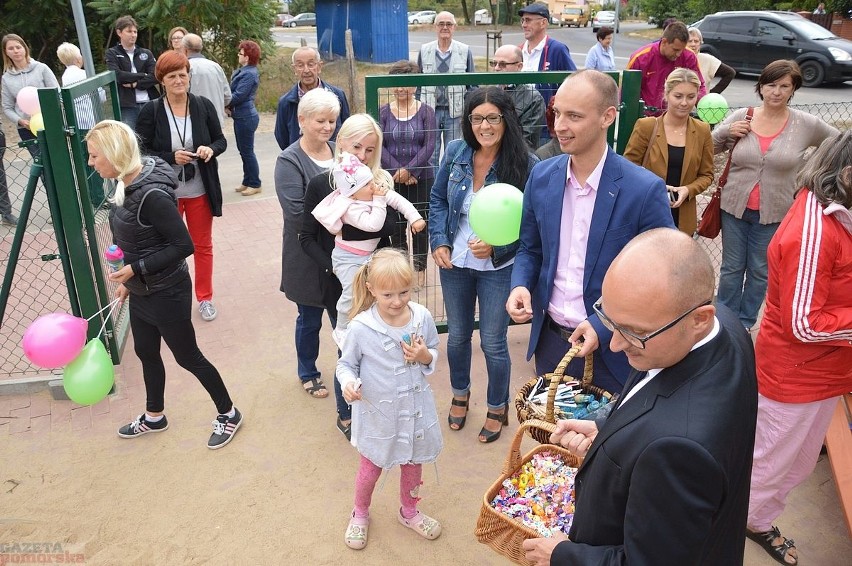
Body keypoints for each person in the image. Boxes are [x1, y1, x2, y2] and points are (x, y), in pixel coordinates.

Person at [522, 228, 757, 565]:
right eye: (610, 320)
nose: (615, 344)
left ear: (699, 320)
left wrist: (563, 556)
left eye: (636, 333)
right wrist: (608, 427)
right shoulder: (726, 327)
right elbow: (656, 399)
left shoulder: (680, 449)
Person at [506, 70, 675, 395]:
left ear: (607, 117)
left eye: (574, 116)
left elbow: (660, 275)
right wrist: (520, 285)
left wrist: (603, 322)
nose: (559, 126)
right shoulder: (541, 176)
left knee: (609, 443)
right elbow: (530, 248)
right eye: (557, 113)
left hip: (617, 350)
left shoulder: (642, 189)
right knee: (551, 441)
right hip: (552, 345)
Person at [85, 120, 242, 449]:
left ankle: (229, 413)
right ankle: (155, 415)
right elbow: (136, 238)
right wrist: (131, 280)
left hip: (167, 292)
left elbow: (183, 246)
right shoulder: (124, 182)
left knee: (188, 357)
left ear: (114, 155)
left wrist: (134, 268)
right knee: (145, 352)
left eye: (94, 155)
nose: (91, 162)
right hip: (142, 289)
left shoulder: (152, 195)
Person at [745, 131, 852, 566]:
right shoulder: (815, 228)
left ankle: (755, 515)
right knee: (770, 465)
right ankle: (746, 520)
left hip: (825, 369)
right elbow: (803, 322)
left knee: (797, 462)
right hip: (797, 372)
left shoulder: (833, 214)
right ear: (846, 174)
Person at [429, 87, 538, 443]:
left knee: (493, 341)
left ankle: (497, 405)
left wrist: (497, 244)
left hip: (499, 268)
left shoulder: (526, 164)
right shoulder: (458, 151)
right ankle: (460, 394)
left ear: (506, 120)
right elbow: (437, 198)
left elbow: (532, 223)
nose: (484, 126)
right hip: (455, 263)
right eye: (477, 118)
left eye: (493, 118)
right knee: (458, 337)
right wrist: (439, 241)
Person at [712, 59, 838, 331]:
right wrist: (725, 131)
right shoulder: (742, 116)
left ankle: (744, 324)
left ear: (793, 90)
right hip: (734, 208)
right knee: (731, 269)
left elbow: (838, 144)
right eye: (771, 85)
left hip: (775, 213)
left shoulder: (805, 124)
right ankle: (724, 322)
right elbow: (708, 148)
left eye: (784, 86)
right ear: (761, 86)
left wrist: (810, 170)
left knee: (760, 271)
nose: (777, 92)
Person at [296, 110, 397, 437]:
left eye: (370, 150)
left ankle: (377, 407)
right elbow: (306, 237)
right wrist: (335, 269)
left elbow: (392, 230)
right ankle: (346, 412)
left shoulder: (382, 182)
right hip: (339, 283)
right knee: (349, 351)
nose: (363, 157)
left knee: (381, 349)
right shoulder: (320, 184)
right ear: (340, 145)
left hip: (379, 285)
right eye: (357, 148)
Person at [337, 248, 442, 550]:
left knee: (413, 465)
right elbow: (346, 364)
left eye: (404, 292)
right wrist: (348, 383)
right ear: (371, 289)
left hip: (415, 412)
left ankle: (409, 511)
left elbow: (433, 351)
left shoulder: (421, 318)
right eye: (388, 295)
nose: (397, 301)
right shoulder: (361, 326)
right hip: (379, 417)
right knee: (370, 469)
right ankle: (360, 513)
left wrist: (425, 356)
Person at [136, 51, 227, 323]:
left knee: (202, 246)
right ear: (161, 81)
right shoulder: (151, 110)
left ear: (189, 76)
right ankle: (168, 296)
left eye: (182, 75)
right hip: (165, 194)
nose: (178, 80)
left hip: (199, 190)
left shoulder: (203, 105)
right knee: (166, 247)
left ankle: (205, 298)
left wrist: (209, 149)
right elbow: (141, 151)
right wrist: (169, 157)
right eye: (171, 76)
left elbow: (221, 141)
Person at [311, 152, 425, 345]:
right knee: (351, 293)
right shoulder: (350, 207)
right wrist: (380, 201)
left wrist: (415, 217)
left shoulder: (373, 191)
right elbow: (374, 225)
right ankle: (341, 329)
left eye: (371, 180)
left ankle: (370, 330)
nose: (372, 185)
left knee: (372, 294)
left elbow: (399, 200)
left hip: (368, 256)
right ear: (352, 193)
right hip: (347, 257)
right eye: (365, 184)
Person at [623, 68, 714, 235]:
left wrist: (688, 190)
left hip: (683, 217)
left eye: (691, 97)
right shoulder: (647, 127)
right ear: (666, 94)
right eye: (678, 96)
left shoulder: (702, 130)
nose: (684, 103)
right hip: (647, 212)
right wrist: (656, 188)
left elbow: (707, 175)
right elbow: (628, 168)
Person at [379, 59, 436, 287]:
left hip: (421, 178)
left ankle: (420, 270)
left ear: (415, 85)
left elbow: (430, 145)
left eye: (407, 83)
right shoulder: (383, 111)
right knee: (396, 226)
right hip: (391, 179)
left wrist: (411, 170)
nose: (401, 88)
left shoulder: (427, 112)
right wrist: (397, 172)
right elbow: (379, 144)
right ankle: (402, 271)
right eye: (397, 83)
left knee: (420, 225)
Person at [417, 11, 475, 171]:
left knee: (455, 151)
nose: (445, 27)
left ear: (454, 27)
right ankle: (433, 188)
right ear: (435, 27)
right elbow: (418, 82)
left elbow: (472, 85)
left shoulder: (464, 50)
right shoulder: (424, 50)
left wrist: (468, 110)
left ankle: (451, 185)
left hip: (455, 113)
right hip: (430, 111)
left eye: (449, 24)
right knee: (430, 154)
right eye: (441, 24)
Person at [518, 2, 576, 142]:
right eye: (523, 20)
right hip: (520, 127)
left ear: (543, 23)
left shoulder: (557, 49)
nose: (524, 25)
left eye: (528, 20)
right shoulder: (518, 51)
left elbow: (573, 83)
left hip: (545, 129)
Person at [57, 41, 106, 207]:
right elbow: (101, 97)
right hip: (90, 122)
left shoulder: (64, 77)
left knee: (83, 162)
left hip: (75, 123)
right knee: (96, 159)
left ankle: (88, 197)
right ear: (78, 58)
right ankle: (98, 197)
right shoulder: (84, 74)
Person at [274, 46, 350, 151]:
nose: (306, 70)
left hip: (333, 158)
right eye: (300, 65)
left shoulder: (337, 96)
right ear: (294, 69)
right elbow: (282, 138)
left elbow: (346, 130)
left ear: (319, 67)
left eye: (311, 64)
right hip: (300, 162)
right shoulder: (286, 102)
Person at [627, 21, 705, 115]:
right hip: (646, 118)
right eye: (675, 50)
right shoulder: (640, 58)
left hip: (678, 117)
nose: (679, 54)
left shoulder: (689, 56)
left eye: (682, 50)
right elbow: (628, 92)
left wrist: (704, 108)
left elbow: (699, 86)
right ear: (664, 42)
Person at [2, 33, 60, 154]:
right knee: (40, 163)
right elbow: (7, 107)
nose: (16, 51)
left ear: (25, 48)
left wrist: (50, 115)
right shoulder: (6, 78)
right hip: (26, 128)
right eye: (11, 48)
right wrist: (20, 120)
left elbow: (56, 93)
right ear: (6, 52)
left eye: (18, 47)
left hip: (49, 123)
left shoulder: (41, 68)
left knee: (57, 158)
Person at [105, 16, 159, 129]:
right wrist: (142, 75)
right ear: (119, 32)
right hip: (127, 106)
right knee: (130, 139)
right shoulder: (112, 53)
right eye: (129, 31)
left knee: (153, 136)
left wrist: (135, 84)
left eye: (135, 31)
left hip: (150, 103)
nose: (133, 34)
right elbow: (117, 75)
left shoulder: (146, 53)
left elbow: (155, 76)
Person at [489, 46, 545, 150]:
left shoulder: (533, 98)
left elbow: (527, 140)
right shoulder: (489, 93)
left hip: (517, 159)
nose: (496, 68)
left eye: (502, 64)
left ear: (519, 66)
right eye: (493, 63)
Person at [228, 40, 261, 196]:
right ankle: (247, 180)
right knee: (243, 151)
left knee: (247, 151)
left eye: (240, 53)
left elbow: (239, 95)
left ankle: (255, 183)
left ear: (247, 57)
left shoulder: (249, 73)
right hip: (240, 115)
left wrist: (224, 102)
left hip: (246, 116)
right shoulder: (244, 70)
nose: (238, 55)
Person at [183, 33, 231, 128]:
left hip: (194, 122)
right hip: (216, 121)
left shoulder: (185, 68)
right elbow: (227, 96)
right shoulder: (216, 67)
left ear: (185, 49)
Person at [686, 27, 735, 95]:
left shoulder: (707, 59)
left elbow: (730, 73)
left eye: (696, 41)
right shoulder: (677, 58)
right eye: (690, 41)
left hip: (701, 103)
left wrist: (712, 94)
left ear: (700, 43)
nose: (693, 44)